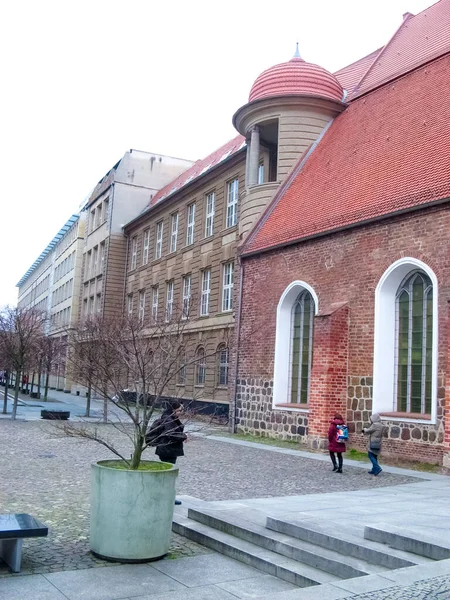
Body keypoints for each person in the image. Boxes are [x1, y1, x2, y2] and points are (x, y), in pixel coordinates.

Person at [146, 400, 187, 504]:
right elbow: (171, 434)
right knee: (168, 475)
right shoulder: (168, 419)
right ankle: (166, 497)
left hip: (168, 450)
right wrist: (184, 436)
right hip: (167, 450)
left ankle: (166, 496)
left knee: (168, 474)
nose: (180, 412)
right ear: (173, 410)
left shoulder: (171, 418)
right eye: (179, 410)